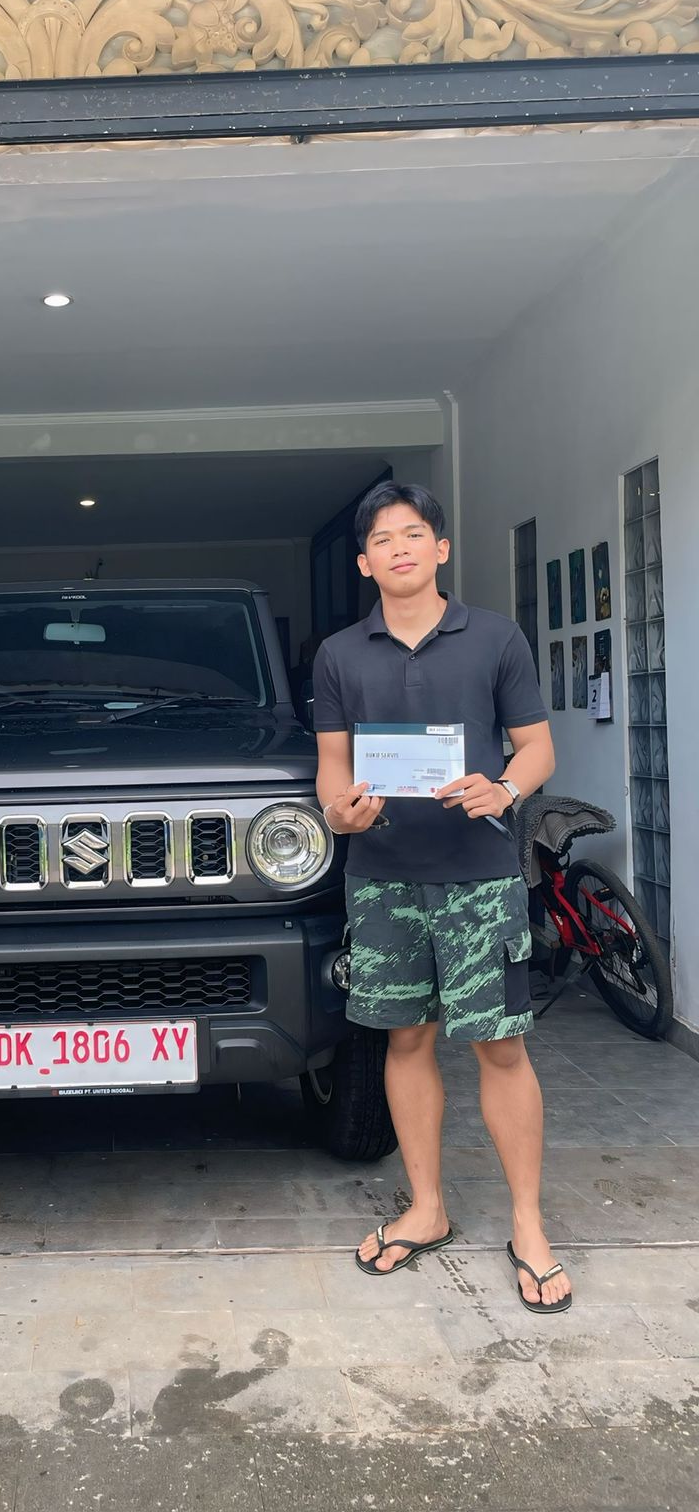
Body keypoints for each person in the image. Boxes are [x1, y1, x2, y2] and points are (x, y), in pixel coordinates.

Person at [313, 482, 572, 1313]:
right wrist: (338, 812)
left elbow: (536, 749)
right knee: (406, 1040)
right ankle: (426, 1208)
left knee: (501, 1046)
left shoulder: (495, 637)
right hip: (382, 877)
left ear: (441, 548)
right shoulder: (339, 654)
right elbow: (332, 766)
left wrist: (504, 789)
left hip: (480, 880)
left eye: (413, 534)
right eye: (382, 540)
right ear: (364, 563)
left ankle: (528, 1225)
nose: (399, 548)